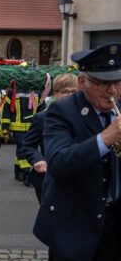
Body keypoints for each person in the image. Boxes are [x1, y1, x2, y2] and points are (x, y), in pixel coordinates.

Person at [33, 43, 121, 261]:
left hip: (114, 223)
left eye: (117, 82)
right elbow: (59, 162)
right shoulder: (61, 111)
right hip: (74, 224)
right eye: (103, 83)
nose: (112, 91)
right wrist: (105, 138)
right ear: (82, 82)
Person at [20, 73, 78, 203]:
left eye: (74, 92)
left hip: (79, 178)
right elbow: (28, 145)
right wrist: (37, 160)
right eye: (65, 92)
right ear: (56, 94)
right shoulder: (41, 118)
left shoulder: (86, 117)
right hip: (49, 178)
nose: (70, 96)